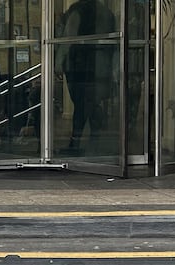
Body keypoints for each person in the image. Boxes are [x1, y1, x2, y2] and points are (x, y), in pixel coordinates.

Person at [55, 0, 116, 153]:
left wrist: (58, 61)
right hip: (102, 65)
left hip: (80, 66)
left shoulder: (77, 10)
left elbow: (69, 37)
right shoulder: (107, 12)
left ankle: (75, 144)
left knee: (82, 104)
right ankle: (93, 140)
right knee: (91, 103)